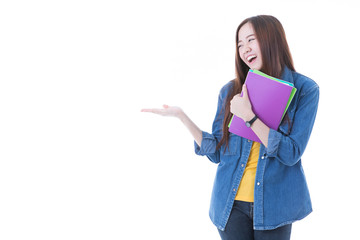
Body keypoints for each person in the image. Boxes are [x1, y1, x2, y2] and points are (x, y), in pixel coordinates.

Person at [141, 15, 319, 240]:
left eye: (251, 40)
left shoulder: (305, 89)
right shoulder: (230, 91)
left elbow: (291, 153)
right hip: (230, 205)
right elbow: (216, 152)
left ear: (271, 39)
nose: (245, 49)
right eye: (240, 44)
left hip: (276, 206)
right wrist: (181, 116)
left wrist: (249, 117)